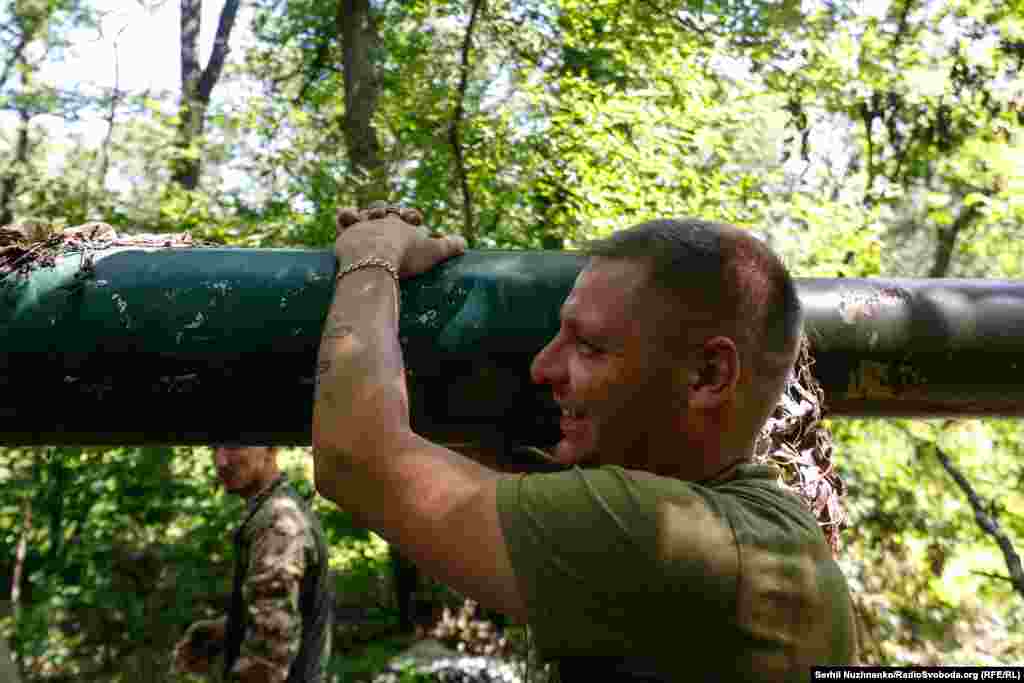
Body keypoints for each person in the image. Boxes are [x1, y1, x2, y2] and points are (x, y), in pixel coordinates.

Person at [312, 208, 857, 681]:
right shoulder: (754, 526)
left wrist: (372, 257)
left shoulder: (666, 539)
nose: (542, 368)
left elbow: (356, 459)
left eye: (589, 347)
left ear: (708, 375)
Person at [173, 446, 332, 683]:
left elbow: (271, 642)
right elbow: (286, 610)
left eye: (234, 445)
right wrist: (228, 629)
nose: (220, 461)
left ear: (271, 448)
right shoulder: (275, 509)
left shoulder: (277, 519)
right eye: (214, 447)